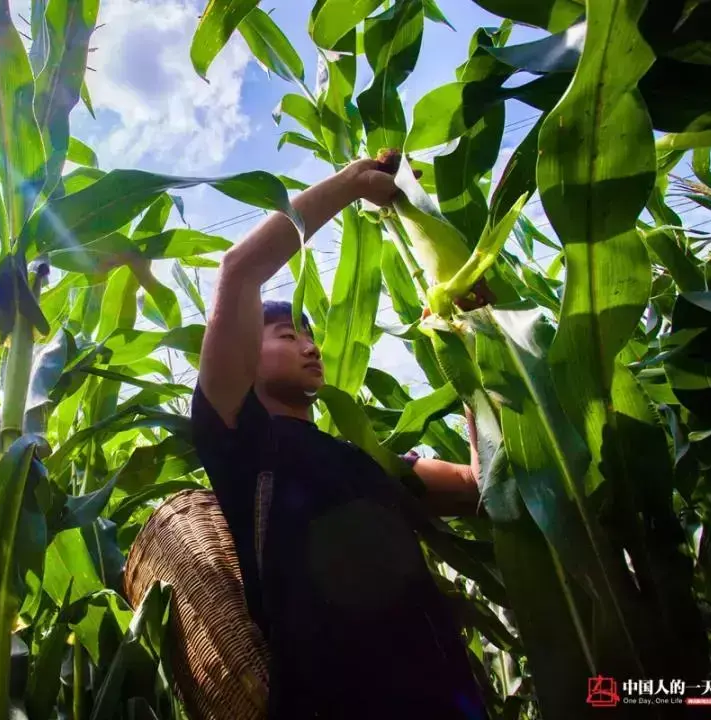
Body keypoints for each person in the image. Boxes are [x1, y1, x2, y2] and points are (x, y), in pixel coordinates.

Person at [191, 153, 489, 719]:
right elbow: (240, 270)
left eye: (311, 335)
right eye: (287, 333)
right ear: (247, 352)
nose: (311, 346)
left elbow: (478, 487)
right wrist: (353, 183)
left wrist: (472, 351)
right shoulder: (242, 444)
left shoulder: (366, 462)